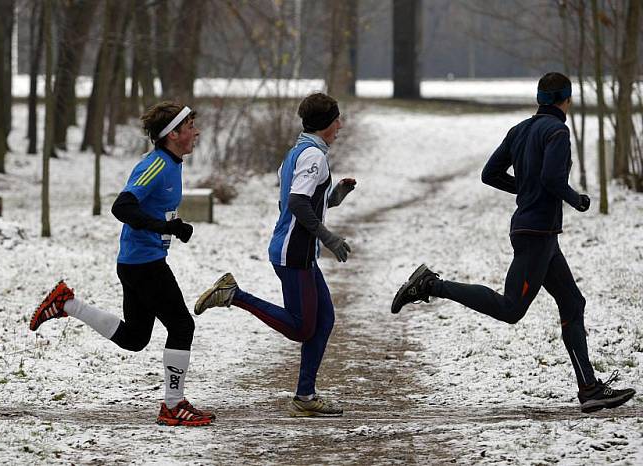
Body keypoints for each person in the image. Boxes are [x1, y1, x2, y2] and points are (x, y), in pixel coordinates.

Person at [390, 72, 636, 413]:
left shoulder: (520, 130)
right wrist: (575, 198)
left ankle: (590, 389)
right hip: (537, 235)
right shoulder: (558, 132)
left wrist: (525, 190)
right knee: (510, 309)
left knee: (572, 302)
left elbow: (490, 173)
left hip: (539, 234)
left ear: (540, 98)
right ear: (566, 99)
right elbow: (551, 178)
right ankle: (431, 284)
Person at [30, 101, 214, 426]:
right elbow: (122, 207)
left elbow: (152, 209)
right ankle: (173, 405)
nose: (195, 132)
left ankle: (66, 303)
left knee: (135, 338)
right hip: (144, 264)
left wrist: (171, 224)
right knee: (182, 325)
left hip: (138, 261)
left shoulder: (171, 163)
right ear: (173, 135)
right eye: (189, 128)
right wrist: (164, 227)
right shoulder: (157, 165)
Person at [193, 92, 355, 417]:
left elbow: (297, 202)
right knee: (301, 328)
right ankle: (233, 294)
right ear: (325, 124)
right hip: (295, 252)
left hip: (297, 251)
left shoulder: (297, 153)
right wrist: (328, 236)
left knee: (323, 321)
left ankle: (305, 397)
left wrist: (334, 197)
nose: (340, 125)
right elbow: (296, 203)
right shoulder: (313, 157)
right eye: (337, 119)